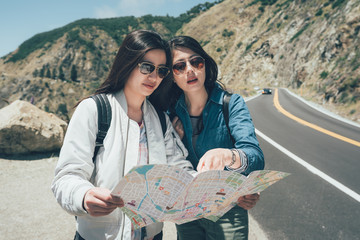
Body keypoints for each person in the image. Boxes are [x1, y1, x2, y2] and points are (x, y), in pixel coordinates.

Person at [51, 30, 195, 240]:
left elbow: (179, 170)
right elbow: (66, 177)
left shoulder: (161, 120)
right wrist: (83, 195)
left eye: (161, 70)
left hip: (152, 234)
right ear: (128, 63)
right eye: (146, 67)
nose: (154, 77)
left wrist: (210, 185)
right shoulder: (94, 110)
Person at [164, 36, 265, 239]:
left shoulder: (231, 103)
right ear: (172, 75)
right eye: (179, 66)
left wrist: (228, 155)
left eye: (196, 62)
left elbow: (255, 157)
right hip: (187, 211)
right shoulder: (169, 111)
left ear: (205, 65)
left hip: (227, 210)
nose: (190, 70)